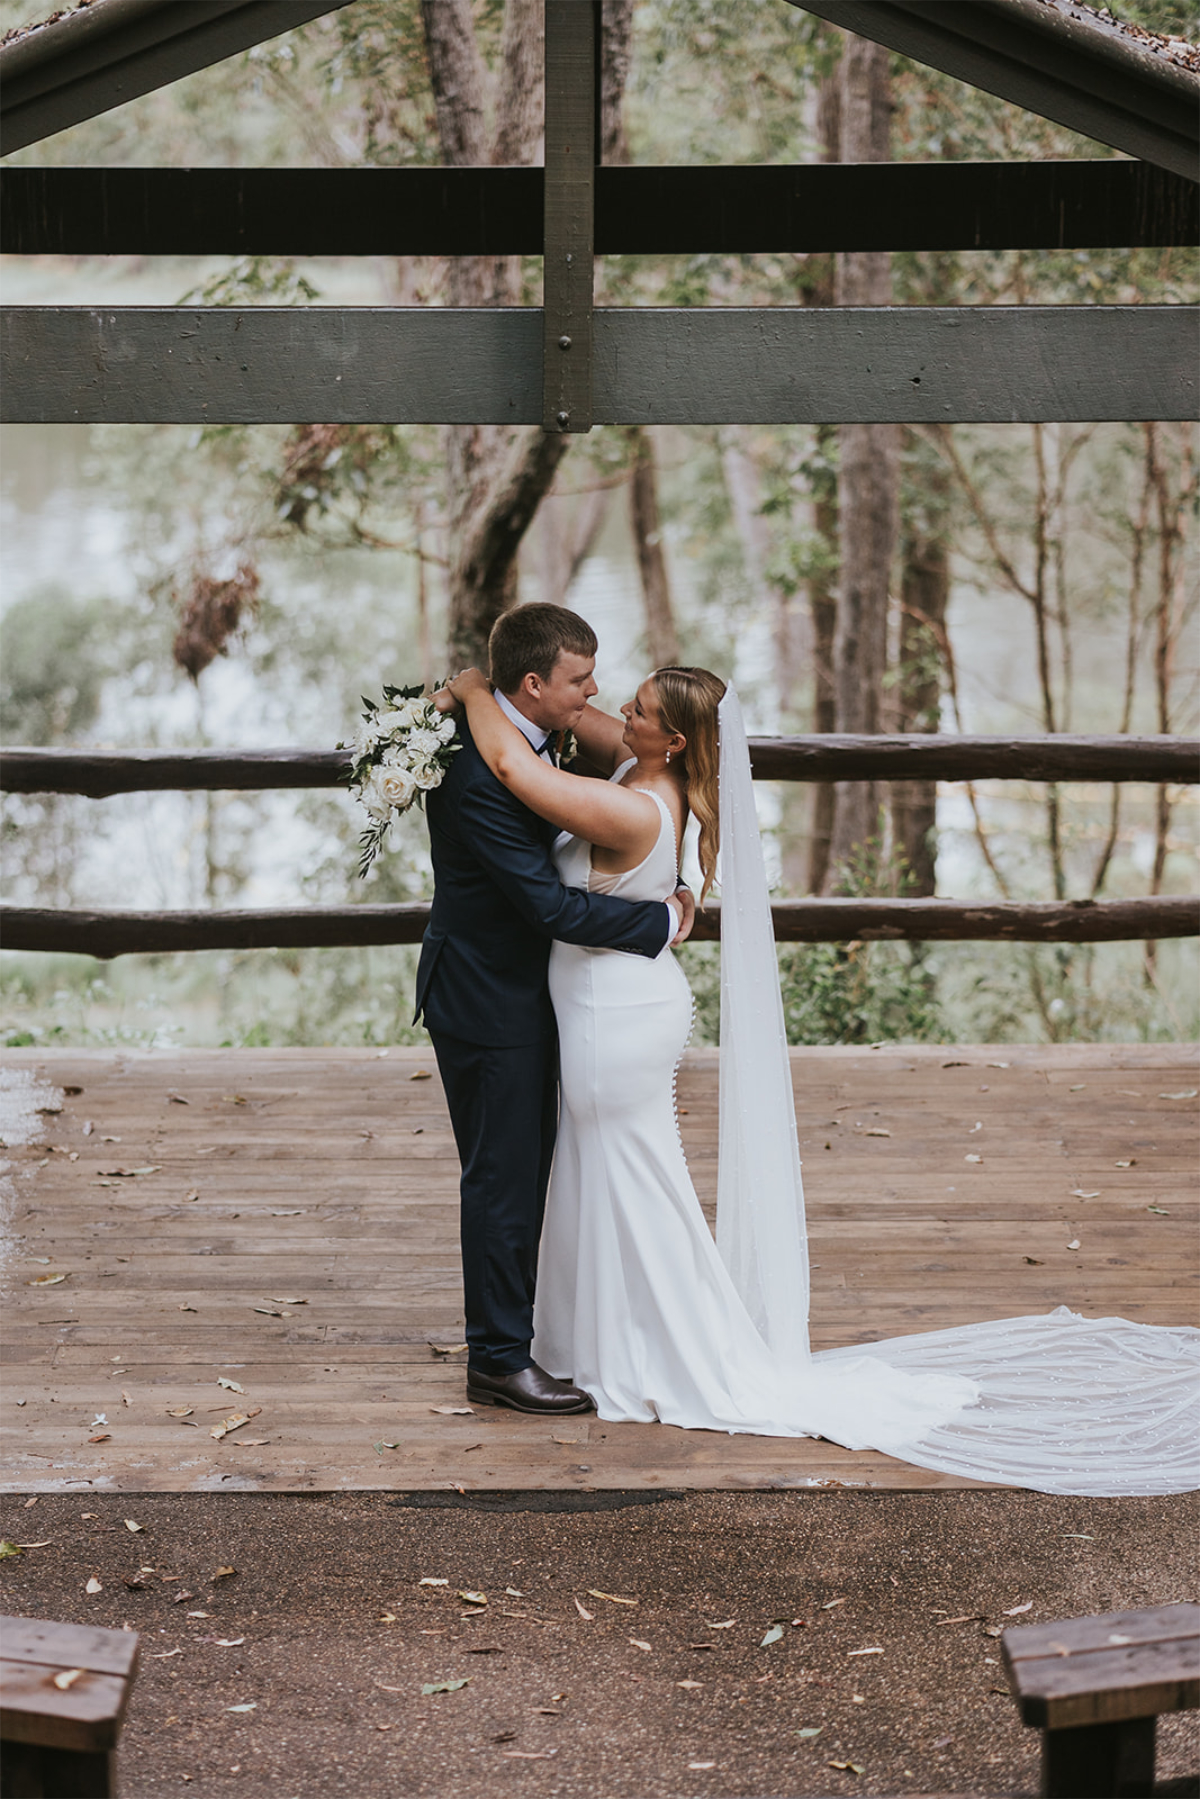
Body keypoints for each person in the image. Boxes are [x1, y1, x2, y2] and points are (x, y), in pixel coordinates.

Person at [440, 659, 1200, 1496]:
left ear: (675, 737)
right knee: (605, 1173)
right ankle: (596, 1342)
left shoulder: (630, 801)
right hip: (609, 1003)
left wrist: (473, 691)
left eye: (640, 706)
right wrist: (518, 699)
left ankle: (680, 1351)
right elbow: (568, 717)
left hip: (610, 1014)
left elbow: (513, 764)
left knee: (632, 1176)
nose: (617, 707)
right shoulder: (641, 762)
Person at [415, 604, 694, 1417]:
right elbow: (550, 908)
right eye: (580, 680)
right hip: (487, 994)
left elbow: (625, 735)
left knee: (530, 1168)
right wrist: (663, 919)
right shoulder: (480, 777)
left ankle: (540, 1331)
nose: (596, 695)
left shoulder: (535, 731)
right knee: (502, 1176)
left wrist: (470, 689)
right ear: (534, 685)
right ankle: (497, 1359)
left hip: (533, 995)